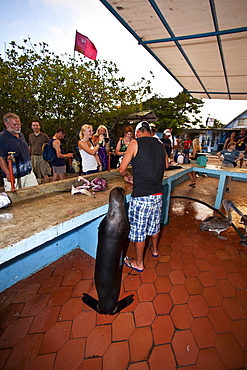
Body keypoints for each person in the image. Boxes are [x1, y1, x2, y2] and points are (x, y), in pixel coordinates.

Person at [119, 121, 167, 272]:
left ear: (138, 132)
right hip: (157, 194)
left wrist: (128, 175)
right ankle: (155, 250)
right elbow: (166, 165)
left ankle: (139, 263)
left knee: (139, 230)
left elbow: (121, 169)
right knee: (154, 224)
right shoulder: (160, 144)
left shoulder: (135, 143)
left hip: (141, 195)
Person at [0, 113, 38, 191]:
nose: (18, 126)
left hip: (28, 173)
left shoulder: (21, 135)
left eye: (19, 124)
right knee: (15, 199)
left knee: (35, 192)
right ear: (6, 124)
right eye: (14, 124)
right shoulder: (2, 138)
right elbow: (0, 158)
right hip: (14, 175)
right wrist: (8, 173)